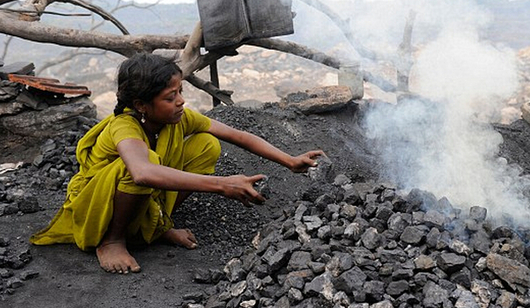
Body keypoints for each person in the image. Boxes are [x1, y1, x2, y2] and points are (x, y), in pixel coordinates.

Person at [30, 53, 324, 274]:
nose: (182, 101)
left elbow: (237, 135)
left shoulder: (175, 118)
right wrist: (223, 185)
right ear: (141, 105)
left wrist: (289, 160)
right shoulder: (125, 127)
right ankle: (112, 241)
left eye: (181, 92)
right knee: (141, 167)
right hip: (96, 207)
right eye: (171, 97)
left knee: (206, 144)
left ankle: (157, 226)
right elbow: (143, 173)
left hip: (139, 199)